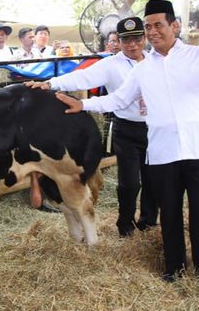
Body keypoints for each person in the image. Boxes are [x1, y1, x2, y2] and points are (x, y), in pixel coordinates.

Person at [50, 0, 199, 283]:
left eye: (158, 25)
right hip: (163, 152)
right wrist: (80, 104)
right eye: (149, 26)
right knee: (168, 212)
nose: (153, 31)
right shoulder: (142, 69)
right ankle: (174, 268)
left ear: (174, 26)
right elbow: (119, 99)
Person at [28, 17, 158, 236]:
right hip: (126, 129)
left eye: (137, 39)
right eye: (126, 40)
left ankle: (148, 222)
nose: (132, 44)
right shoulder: (111, 63)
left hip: (155, 129)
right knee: (130, 183)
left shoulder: (157, 60)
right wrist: (50, 83)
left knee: (154, 180)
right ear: (119, 40)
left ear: (144, 38)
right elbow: (83, 77)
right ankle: (125, 225)